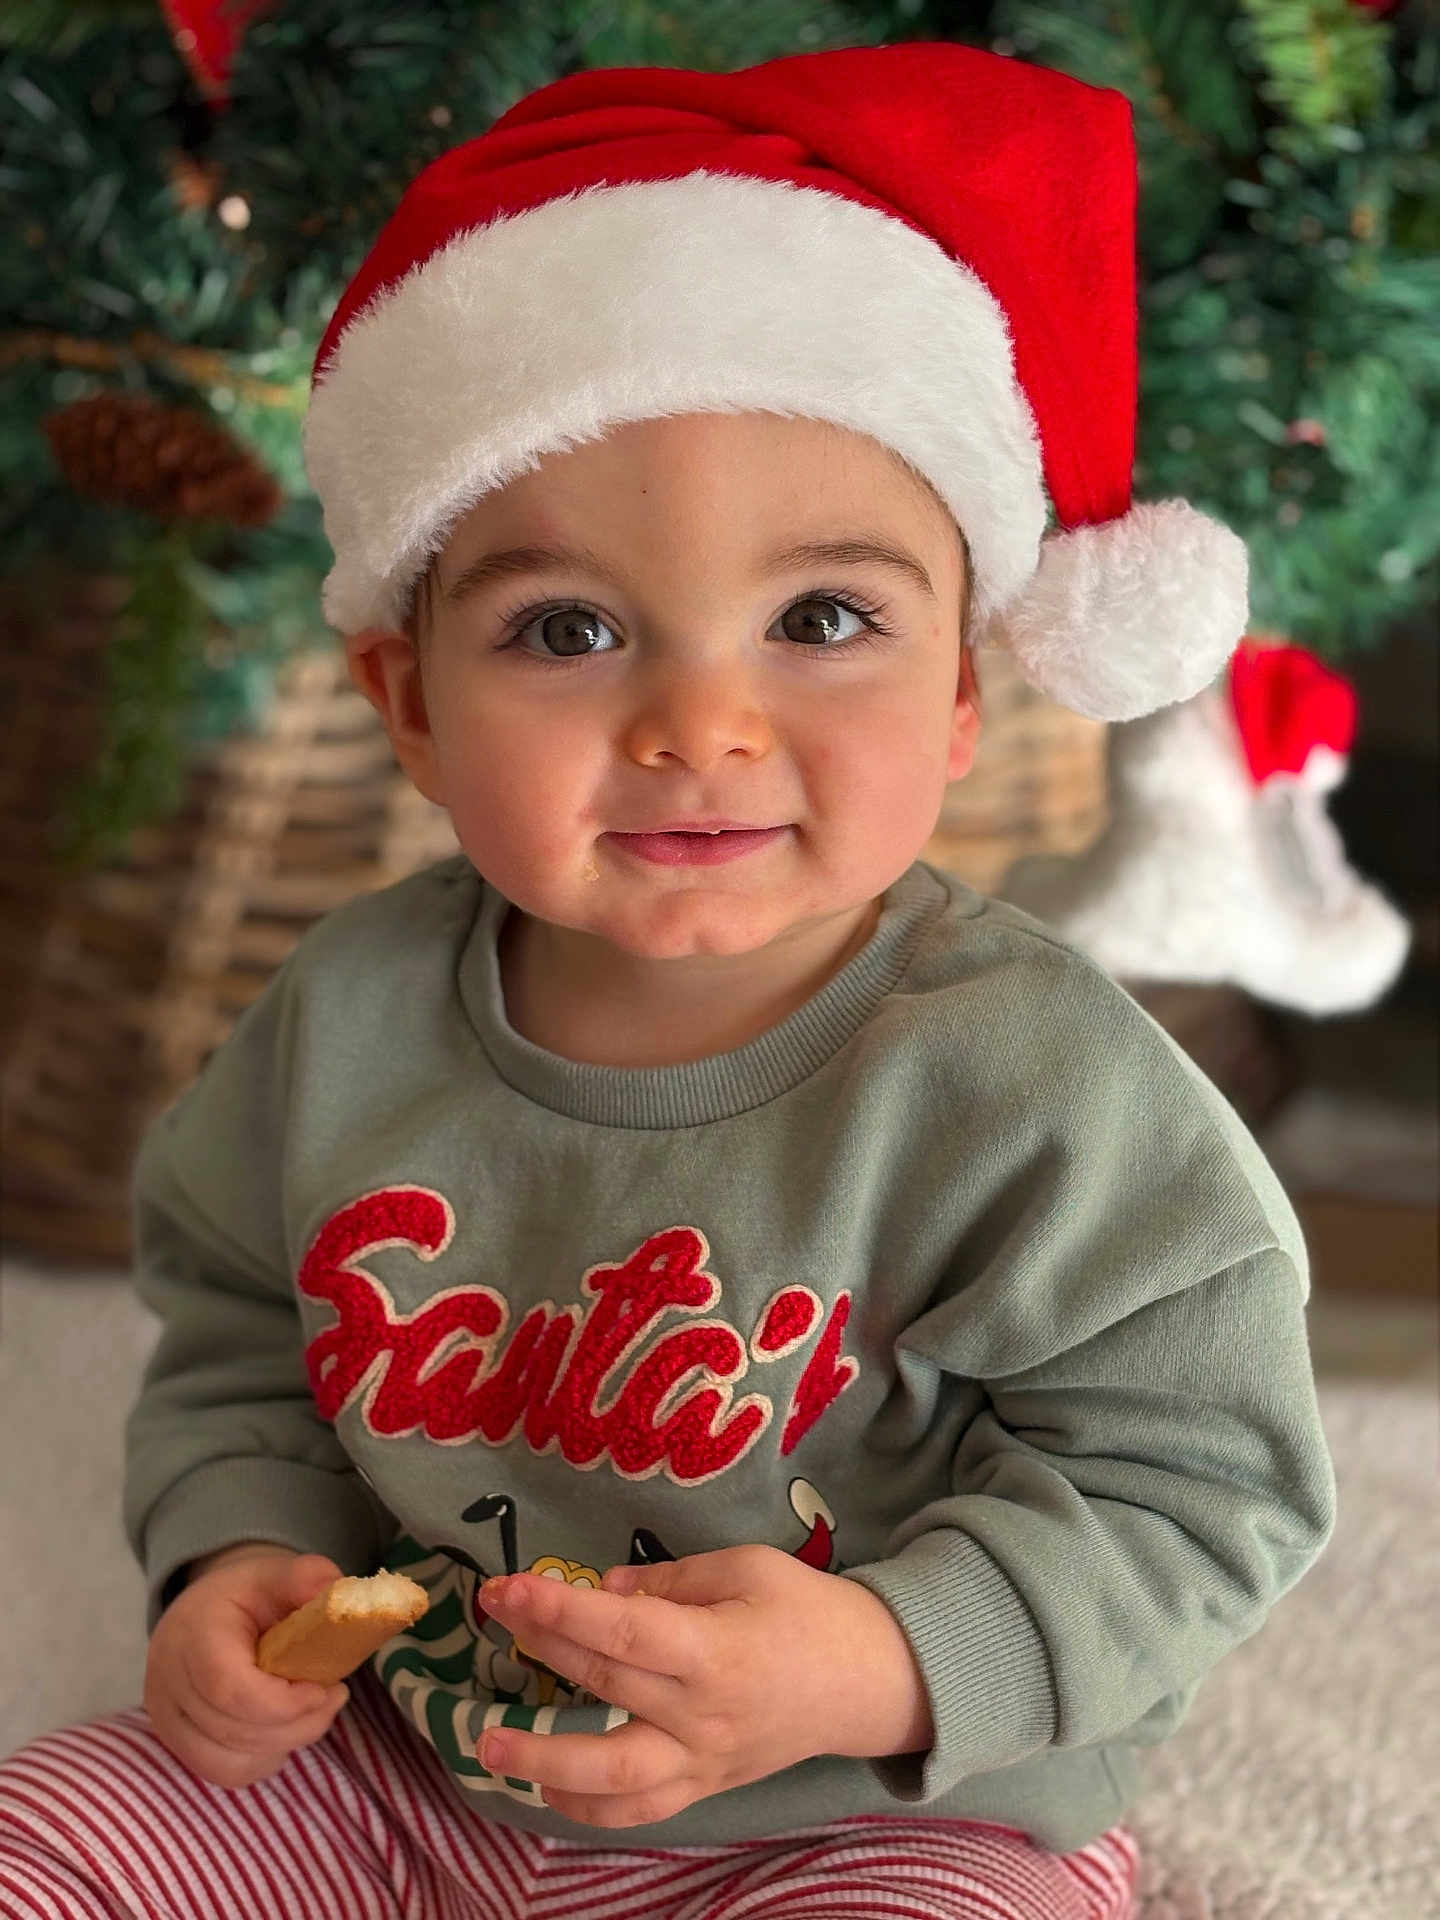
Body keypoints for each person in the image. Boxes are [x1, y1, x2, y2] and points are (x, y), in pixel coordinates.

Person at [0, 39, 1336, 1920]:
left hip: (877, 1805)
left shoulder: (1036, 1084)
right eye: (566, 628)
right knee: (50, 1836)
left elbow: (1202, 1489)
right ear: (409, 703)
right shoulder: (349, 1021)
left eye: (823, 620)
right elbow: (242, 1341)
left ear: (963, 689)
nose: (700, 726)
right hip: (398, 1768)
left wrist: (875, 1657)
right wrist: (239, 1558)